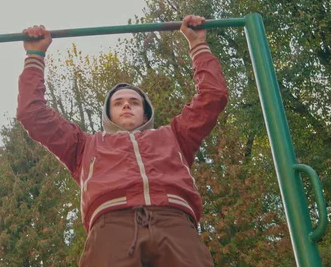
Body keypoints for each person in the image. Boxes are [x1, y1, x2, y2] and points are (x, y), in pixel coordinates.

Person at [17, 15, 228, 267]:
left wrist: (198, 44)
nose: (126, 104)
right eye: (118, 102)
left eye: (134, 102)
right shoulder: (83, 145)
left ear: (145, 112)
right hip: (111, 224)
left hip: (175, 221)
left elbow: (212, 96)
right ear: (108, 114)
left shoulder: (175, 136)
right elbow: (32, 114)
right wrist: (35, 57)